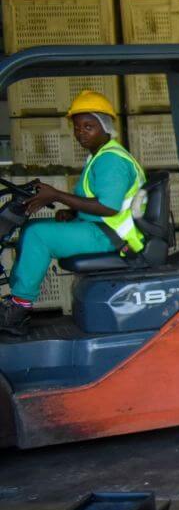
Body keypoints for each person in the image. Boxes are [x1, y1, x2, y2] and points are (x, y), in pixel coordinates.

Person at [0, 90, 147, 335]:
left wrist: (56, 195)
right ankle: (16, 301)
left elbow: (108, 207)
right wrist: (71, 212)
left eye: (88, 127)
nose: (81, 133)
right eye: (78, 128)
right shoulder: (99, 157)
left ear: (104, 126)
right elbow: (97, 201)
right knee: (32, 229)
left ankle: (18, 309)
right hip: (100, 227)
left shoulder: (112, 160)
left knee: (39, 234)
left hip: (113, 235)